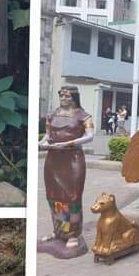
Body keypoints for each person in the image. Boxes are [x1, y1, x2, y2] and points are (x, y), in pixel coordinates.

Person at [38, 85, 94, 259]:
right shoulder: (52, 115)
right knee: (54, 196)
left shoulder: (84, 116)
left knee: (72, 197)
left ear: (74, 97)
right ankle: (58, 231)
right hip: (54, 158)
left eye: (67, 95)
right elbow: (47, 135)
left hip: (72, 159)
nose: (63, 98)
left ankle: (73, 234)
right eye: (61, 95)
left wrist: (70, 143)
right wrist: (42, 143)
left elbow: (90, 136)